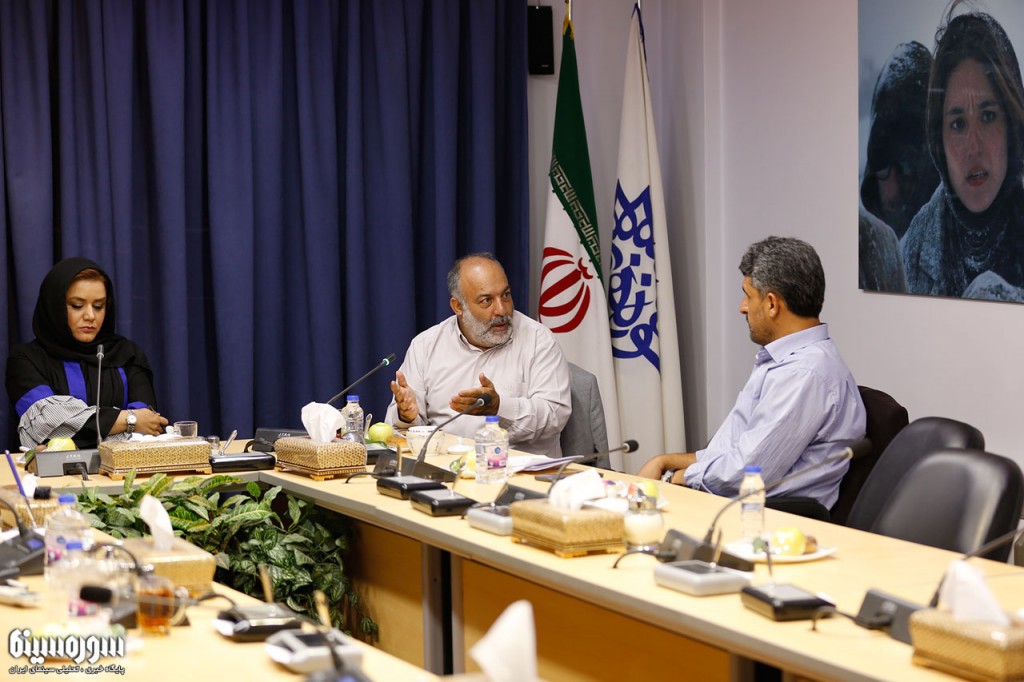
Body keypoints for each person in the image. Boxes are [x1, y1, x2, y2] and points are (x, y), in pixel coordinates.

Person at [637, 237, 865, 509]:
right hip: (735, 507)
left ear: (772, 304)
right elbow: (730, 452)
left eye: (748, 295)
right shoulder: (783, 361)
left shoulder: (805, 374)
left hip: (766, 520)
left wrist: (676, 478)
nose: (742, 307)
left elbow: (746, 472)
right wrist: (665, 461)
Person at [386, 253, 570, 456]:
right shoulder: (426, 346)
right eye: (486, 300)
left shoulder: (538, 340)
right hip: (445, 467)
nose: (501, 310)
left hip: (520, 469)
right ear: (458, 307)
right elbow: (399, 430)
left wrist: (500, 407)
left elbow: (555, 416)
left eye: (506, 295)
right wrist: (407, 417)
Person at [901, 4, 1024, 301]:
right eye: (957, 124)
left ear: (1011, 124)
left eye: (988, 116)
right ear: (939, 140)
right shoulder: (912, 251)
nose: (973, 146)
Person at [6, 257, 168, 449]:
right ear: (54, 306)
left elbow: (147, 428)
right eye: (77, 305)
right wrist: (130, 420)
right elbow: (45, 424)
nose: (90, 316)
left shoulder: (127, 354)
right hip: (52, 470)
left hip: (122, 467)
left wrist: (71, 431)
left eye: (98, 306)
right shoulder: (25, 359)